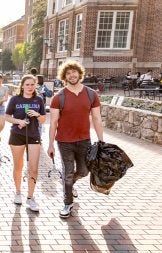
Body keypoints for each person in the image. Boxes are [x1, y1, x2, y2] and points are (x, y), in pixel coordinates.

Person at [47, 61, 104, 218]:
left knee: (84, 171)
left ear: (80, 73)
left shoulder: (91, 94)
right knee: (68, 172)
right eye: (68, 73)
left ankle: (70, 185)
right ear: (64, 76)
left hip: (84, 140)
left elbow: (97, 119)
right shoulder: (58, 97)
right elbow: (53, 123)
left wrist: (101, 141)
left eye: (74, 72)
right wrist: (50, 144)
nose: (72, 75)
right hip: (64, 141)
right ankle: (67, 203)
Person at [5, 75, 46, 212]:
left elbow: (43, 120)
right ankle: (18, 192)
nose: (30, 87)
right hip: (17, 135)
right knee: (18, 165)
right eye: (27, 84)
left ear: (35, 86)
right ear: (22, 86)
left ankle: (30, 197)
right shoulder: (15, 99)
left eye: (32, 84)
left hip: (33, 135)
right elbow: (7, 117)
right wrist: (19, 121)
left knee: (33, 167)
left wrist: (37, 114)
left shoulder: (39, 100)